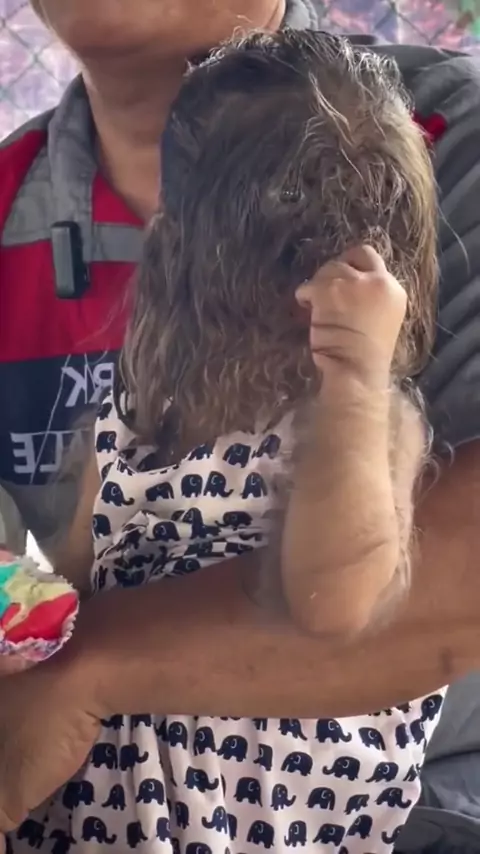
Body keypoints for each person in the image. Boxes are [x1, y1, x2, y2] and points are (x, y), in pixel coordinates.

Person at [0, 0, 479, 850]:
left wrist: (90, 671)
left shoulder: (436, 134)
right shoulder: (21, 215)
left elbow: (357, 597)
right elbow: (70, 580)